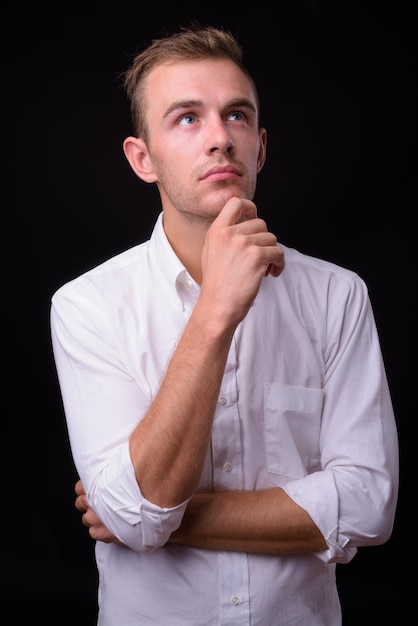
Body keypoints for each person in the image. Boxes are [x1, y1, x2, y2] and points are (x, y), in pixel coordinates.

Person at [50, 24, 399, 626]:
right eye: (187, 118)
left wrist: (156, 521)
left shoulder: (338, 295)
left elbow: (369, 505)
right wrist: (216, 311)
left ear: (260, 148)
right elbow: (135, 515)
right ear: (143, 159)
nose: (219, 139)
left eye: (236, 116)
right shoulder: (87, 306)